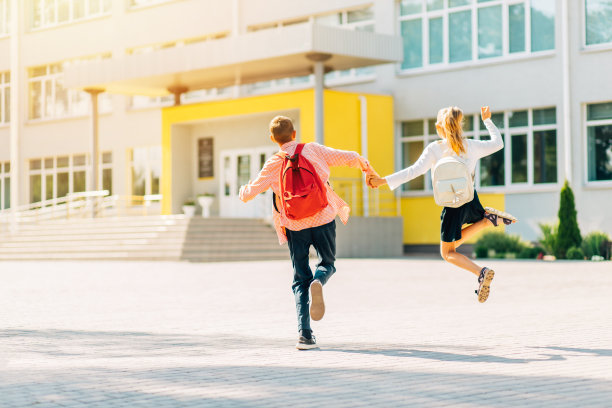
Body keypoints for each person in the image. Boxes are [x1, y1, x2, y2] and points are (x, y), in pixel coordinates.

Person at [239, 116, 378, 350]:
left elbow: (248, 194)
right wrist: (367, 169)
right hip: (323, 217)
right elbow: (350, 158)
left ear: (273, 139)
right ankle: (319, 280)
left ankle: (305, 335)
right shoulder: (313, 149)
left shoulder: (273, 163)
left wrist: (243, 189)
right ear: (294, 134)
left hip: (294, 226)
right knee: (328, 263)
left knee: (299, 279)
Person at [368, 106, 517, 303]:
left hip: (452, 205)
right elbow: (498, 143)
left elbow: (412, 172)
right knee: (451, 247)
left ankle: (482, 272)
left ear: (440, 127)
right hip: (470, 199)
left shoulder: (435, 148)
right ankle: (486, 221)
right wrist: (487, 120)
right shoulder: (470, 145)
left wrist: (382, 181)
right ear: (459, 124)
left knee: (447, 253)